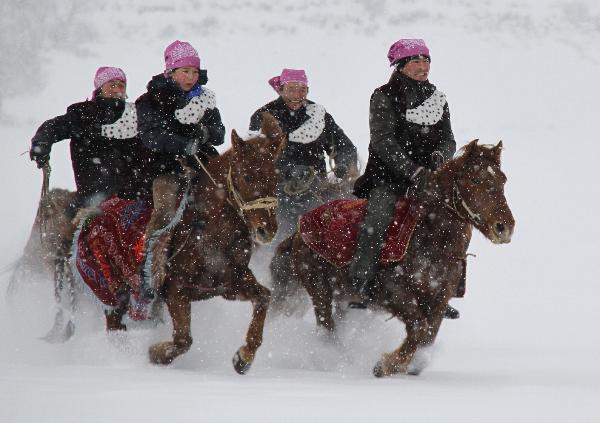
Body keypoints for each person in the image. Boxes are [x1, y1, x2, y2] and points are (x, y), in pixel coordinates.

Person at [349, 39, 460, 318]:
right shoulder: (384, 95)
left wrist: (438, 157)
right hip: (388, 176)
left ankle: (442, 289)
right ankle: (361, 283)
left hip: (429, 179)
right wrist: (411, 170)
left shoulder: (438, 97)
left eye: (427, 61)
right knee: (377, 219)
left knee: (451, 223)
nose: (424, 67)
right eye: (416, 62)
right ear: (400, 66)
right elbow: (383, 141)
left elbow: (449, 139)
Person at [135, 40, 225, 297]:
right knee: (164, 210)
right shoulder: (150, 100)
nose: (190, 77)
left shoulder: (205, 100)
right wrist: (182, 144)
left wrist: (204, 133)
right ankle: (149, 270)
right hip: (165, 167)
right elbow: (151, 136)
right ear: (171, 72)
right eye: (185, 71)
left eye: (195, 72)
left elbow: (219, 132)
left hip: (204, 164)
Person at [249, 68, 358, 242]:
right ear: (281, 89)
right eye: (291, 89)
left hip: (317, 186)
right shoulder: (264, 117)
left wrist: (343, 164)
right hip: (277, 191)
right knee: (285, 232)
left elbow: (344, 146)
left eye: (302, 89)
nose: (297, 94)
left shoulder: (319, 116)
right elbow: (256, 159)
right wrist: (289, 171)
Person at [30, 66, 149, 207]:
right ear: (100, 88)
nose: (118, 90)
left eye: (122, 85)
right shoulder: (84, 114)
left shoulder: (135, 114)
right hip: (97, 194)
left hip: (136, 193)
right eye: (112, 85)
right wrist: (41, 145)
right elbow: (54, 127)